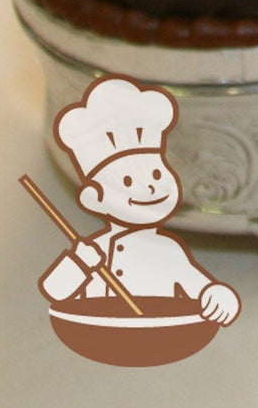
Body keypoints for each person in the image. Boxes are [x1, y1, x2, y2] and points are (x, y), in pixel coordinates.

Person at [38, 75, 242, 325]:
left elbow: (200, 289)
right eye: (126, 181)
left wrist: (217, 296)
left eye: (156, 173)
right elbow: (55, 291)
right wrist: (79, 263)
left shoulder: (169, 252)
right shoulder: (95, 251)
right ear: (95, 198)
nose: (149, 186)